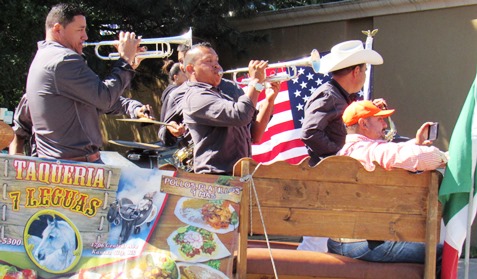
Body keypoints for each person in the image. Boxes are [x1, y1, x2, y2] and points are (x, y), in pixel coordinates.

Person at [327, 100, 446, 276]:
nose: (385, 124)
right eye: (380, 120)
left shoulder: (348, 150)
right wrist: (446, 156)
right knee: (442, 253)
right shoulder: (369, 150)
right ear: (364, 124)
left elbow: (392, 152)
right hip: (361, 245)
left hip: (341, 241)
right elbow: (428, 159)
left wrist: (416, 143)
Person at [26, 3, 152, 162]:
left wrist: (132, 107)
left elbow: (94, 98)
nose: (85, 36)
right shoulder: (63, 60)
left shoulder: (48, 57)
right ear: (57, 29)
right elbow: (104, 98)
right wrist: (125, 60)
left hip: (65, 163)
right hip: (75, 166)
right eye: (80, 30)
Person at [182, 43, 279, 174]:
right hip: (215, 179)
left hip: (241, 175)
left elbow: (255, 135)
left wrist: (269, 100)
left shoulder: (225, 91)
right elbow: (240, 115)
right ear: (191, 69)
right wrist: (255, 81)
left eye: (217, 60)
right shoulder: (196, 97)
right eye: (208, 61)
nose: (216, 65)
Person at [301, 40, 383, 166]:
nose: (365, 76)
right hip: (330, 175)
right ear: (356, 71)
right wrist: (339, 156)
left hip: (339, 173)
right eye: (364, 71)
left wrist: (371, 111)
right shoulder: (328, 96)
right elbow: (310, 132)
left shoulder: (339, 95)